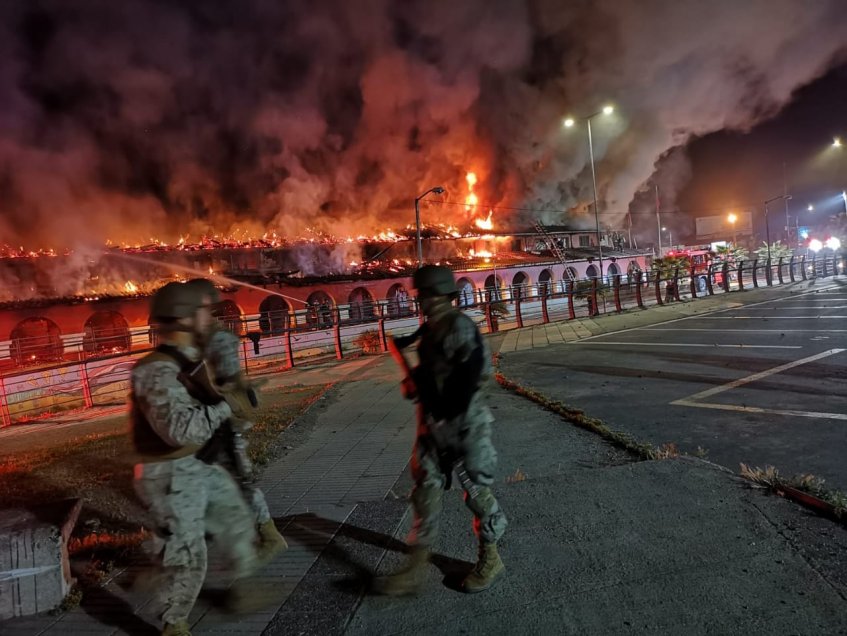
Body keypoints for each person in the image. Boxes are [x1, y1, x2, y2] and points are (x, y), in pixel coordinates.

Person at [130, 281, 260, 636]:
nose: (212, 317)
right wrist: (223, 405)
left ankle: (241, 591)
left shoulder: (190, 361)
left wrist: (237, 399)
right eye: (204, 311)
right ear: (186, 319)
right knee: (189, 555)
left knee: (236, 520)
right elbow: (180, 430)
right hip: (167, 474)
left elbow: (230, 406)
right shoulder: (155, 370)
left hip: (197, 465)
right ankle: (174, 623)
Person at [375, 265, 507, 596]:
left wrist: (447, 413)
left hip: (462, 427)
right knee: (425, 494)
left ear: (442, 296)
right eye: (422, 297)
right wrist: (415, 383)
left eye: (427, 297)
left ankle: (490, 558)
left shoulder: (457, 327)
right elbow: (425, 379)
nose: (422, 303)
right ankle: (415, 566)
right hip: (432, 427)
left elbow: (474, 375)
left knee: (477, 494)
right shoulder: (431, 330)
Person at [183, 278, 287, 562]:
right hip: (208, 420)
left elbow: (228, 383)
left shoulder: (219, 340)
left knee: (237, 479)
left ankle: (268, 535)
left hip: (225, 421)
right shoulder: (199, 340)